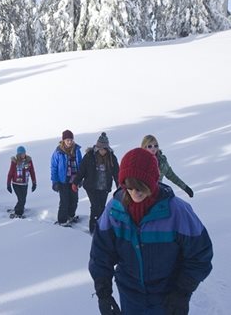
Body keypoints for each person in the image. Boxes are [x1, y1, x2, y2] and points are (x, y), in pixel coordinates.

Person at [89, 147, 213, 315]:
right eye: (129, 186)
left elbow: (200, 254)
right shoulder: (114, 210)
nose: (134, 192)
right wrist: (103, 294)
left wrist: (182, 292)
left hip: (167, 298)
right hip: (130, 297)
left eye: (140, 186)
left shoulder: (177, 212)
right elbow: (101, 253)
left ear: (152, 181)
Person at [73, 132, 119, 234]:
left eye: (105, 149)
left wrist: (119, 185)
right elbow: (82, 171)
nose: (103, 151)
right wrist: (75, 182)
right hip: (91, 186)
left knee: (102, 208)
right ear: (97, 148)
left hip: (104, 186)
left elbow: (116, 173)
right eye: (101, 149)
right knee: (95, 206)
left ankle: (101, 228)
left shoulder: (111, 157)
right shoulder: (89, 156)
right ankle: (93, 229)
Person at [50, 130, 82, 226]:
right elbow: (54, 168)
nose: (69, 142)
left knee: (74, 200)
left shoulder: (76, 150)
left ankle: (70, 215)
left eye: (71, 140)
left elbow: (81, 165)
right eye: (67, 140)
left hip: (74, 180)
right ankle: (62, 220)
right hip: (62, 181)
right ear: (63, 140)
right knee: (64, 201)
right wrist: (54, 182)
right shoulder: (58, 152)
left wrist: (80, 179)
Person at [6, 146, 37, 218]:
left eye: (24, 153)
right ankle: (18, 213)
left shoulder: (28, 160)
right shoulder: (15, 162)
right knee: (21, 199)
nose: (23, 155)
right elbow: (10, 173)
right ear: (18, 154)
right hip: (16, 184)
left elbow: (32, 171)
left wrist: (34, 182)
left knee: (23, 199)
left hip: (24, 184)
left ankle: (18, 208)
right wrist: (8, 184)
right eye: (22, 154)